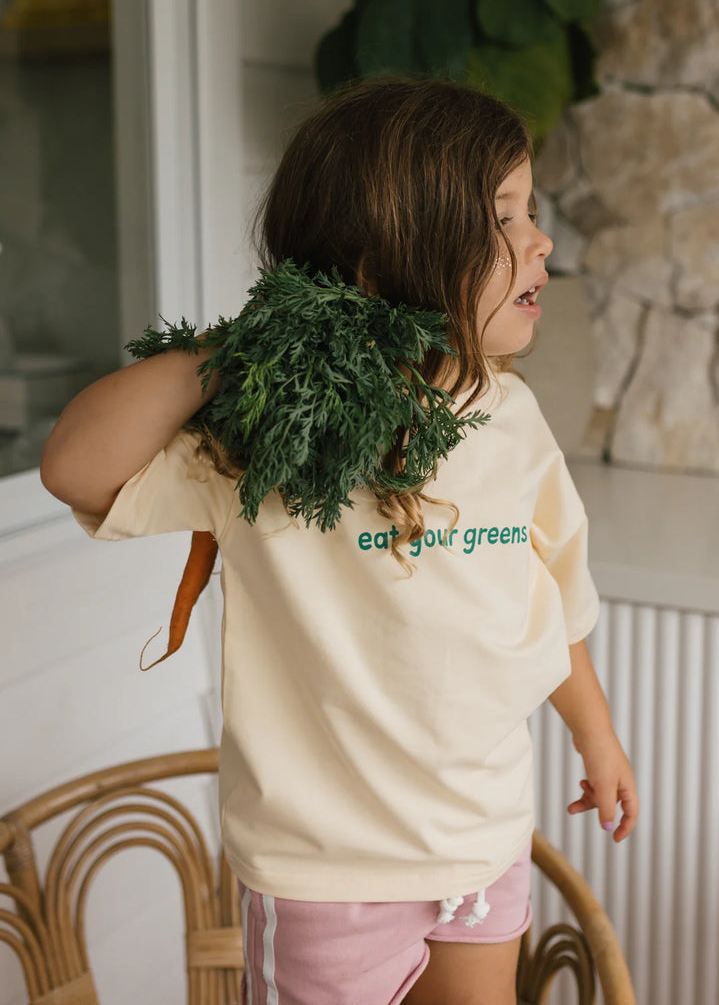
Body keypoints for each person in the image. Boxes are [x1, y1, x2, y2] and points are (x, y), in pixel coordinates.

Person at [40, 77, 638, 1005]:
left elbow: (551, 594)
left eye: (529, 210)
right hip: (327, 868)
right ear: (380, 264)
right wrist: (242, 350)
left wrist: (597, 737)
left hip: (480, 839)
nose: (539, 238)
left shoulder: (511, 415)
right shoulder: (264, 432)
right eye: (502, 216)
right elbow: (74, 467)